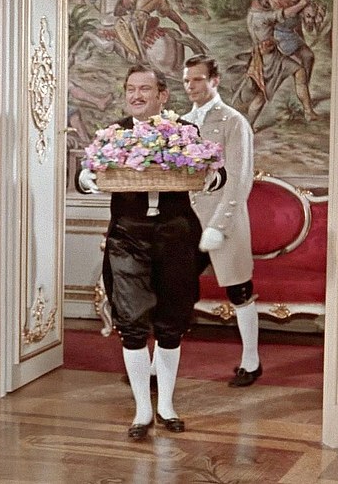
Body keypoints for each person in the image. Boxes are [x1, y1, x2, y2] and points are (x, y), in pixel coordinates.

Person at [77, 65, 221, 440]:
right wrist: (87, 177)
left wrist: (209, 176)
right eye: (131, 89)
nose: (136, 95)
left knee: (172, 322)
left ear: (162, 95)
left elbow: (216, 173)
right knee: (132, 321)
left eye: (145, 89)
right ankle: (142, 410)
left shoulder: (186, 132)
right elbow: (85, 173)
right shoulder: (114, 134)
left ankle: (166, 406)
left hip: (176, 235)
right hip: (128, 237)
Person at [182, 54, 260, 387]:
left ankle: (251, 361)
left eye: (198, 79)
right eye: (187, 80)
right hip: (187, 220)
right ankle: (158, 364)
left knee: (239, 290)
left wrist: (218, 225)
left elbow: (239, 179)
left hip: (224, 218)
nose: (191, 86)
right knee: (174, 291)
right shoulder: (182, 122)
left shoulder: (233, 121)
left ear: (214, 80)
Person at [235, 0, 313, 127]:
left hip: (266, 56)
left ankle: (308, 112)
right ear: (257, 0)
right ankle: (248, 126)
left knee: (299, 71)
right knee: (261, 96)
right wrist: (302, 4)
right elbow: (284, 14)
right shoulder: (261, 17)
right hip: (270, 60)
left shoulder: (252, 14)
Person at [269, 0, 317, 111]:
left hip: (292, 37)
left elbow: (303, 27)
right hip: (279, 37)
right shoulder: (279, 1)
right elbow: (284, 15)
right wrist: (301, 4)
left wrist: (310, 20)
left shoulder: (303, 3)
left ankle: (303, 91)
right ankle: (300, 96)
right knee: (296, 67)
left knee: (309, 56)